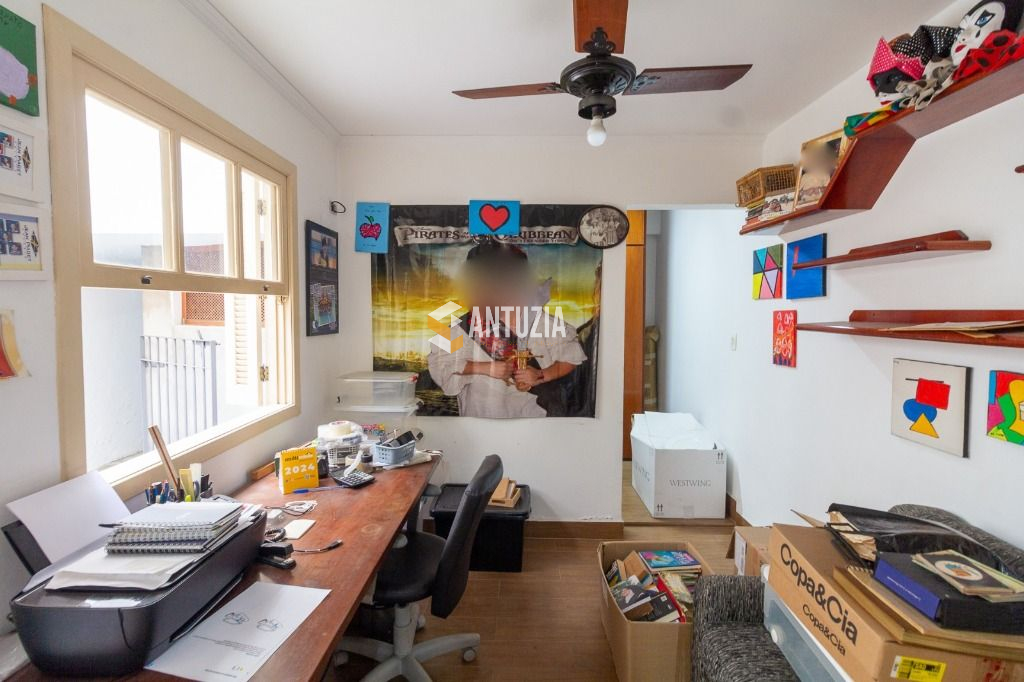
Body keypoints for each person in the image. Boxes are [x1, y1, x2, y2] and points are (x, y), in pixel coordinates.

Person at [427, 240, 586, 418]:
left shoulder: (542, 321)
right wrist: (485, 368)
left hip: (534, 420)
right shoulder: (463, 326)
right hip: (480, 419)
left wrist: (541, 375)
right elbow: (440, 364)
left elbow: (571, 357)